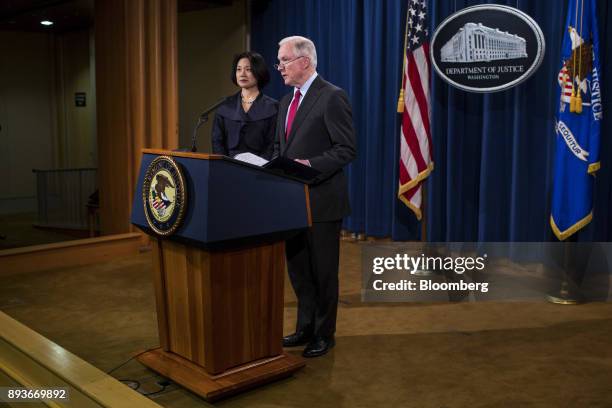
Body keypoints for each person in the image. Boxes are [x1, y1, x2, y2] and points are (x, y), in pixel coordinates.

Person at [273, 36, 356, 358]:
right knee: (299, 271)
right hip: (291, 202)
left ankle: (324, 333)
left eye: (284, 60)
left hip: (322, 201)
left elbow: (346, 149)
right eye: (279, 61)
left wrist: (309, 166)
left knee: (323, 271)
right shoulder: (284, 101)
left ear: (304, 61)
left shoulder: (332, 97)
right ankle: (305, 327)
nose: (279, 66)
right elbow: (282, 148)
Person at [211, 51, 278, 160]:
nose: (242, 74)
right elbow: (217, 142)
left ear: (259, 72)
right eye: (238, 69)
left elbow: (272, 145)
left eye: (248, 69)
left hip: (260, 170)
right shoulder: (224, 104)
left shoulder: (273, 107)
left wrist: (260, 167)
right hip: (227, 167)